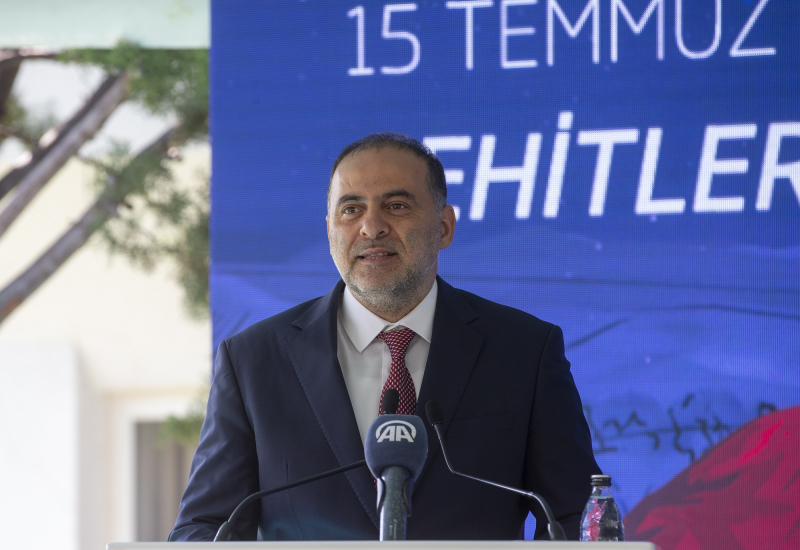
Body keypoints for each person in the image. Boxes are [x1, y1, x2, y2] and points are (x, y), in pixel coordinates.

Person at [170, 133, 601, 541]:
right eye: (350, 209)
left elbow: (575, 517)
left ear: (444, 227)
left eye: (396, 206)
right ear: (329, 229)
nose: (371, 227)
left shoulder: (524, 351)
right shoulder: (253, 361)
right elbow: (204, 526)